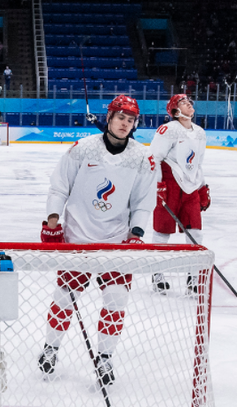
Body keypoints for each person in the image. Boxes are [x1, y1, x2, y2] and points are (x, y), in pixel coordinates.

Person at [37, 95, 157, 386]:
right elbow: (59, 186)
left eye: (130, 121)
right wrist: (53, 221)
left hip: (116, 240)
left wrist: (136, 234)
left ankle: (105, 357)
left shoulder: (143, 158)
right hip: (77, 236)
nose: (125, 124)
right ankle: (50, 349)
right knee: (64, 298)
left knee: (116, 301)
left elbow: (143, 202)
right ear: (109, 118)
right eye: (120, 118)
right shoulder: (83, 148)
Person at [148, 93, 209, 293]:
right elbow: (153, 158)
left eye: (189, 102)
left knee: (196, 233)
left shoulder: (199, 132)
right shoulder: (168, 130)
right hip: (170, 185)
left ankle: (193, 278)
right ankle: (157, 274)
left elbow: (198, 162)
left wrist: (202, 187)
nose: (189, 104)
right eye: (183, 103)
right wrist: (158, 186)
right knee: (162, 232)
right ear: (175, 111)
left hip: (191, 188)